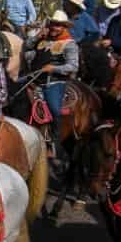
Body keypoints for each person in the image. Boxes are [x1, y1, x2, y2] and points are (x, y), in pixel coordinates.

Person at [22, 12, 78, 149]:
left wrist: (53, 68)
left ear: (64, 27)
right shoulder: (43, 39)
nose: (54, 27)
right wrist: (36, 37)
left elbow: (73, 66)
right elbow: (26, 46)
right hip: (33, 79)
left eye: (58, 25)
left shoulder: (69, 44)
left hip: (54, 82)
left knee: (54, 108)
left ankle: (55, 141)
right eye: (52, 24)